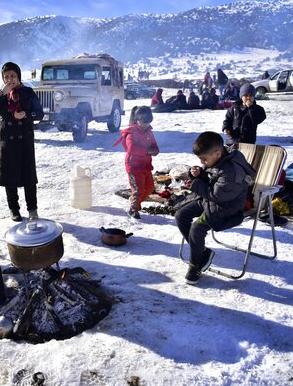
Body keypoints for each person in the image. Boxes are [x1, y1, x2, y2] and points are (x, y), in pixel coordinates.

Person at [174, 131, 256, 285]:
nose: (203, 162)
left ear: (218, 153)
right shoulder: (218, 159)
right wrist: (198, 175)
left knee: (197, 228)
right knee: (181, 215)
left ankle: (195, 265)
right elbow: (212, 178)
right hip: (211, 200)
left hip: (227, 207)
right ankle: (202, 252)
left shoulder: (232, 170)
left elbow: (218, 195)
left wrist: (195, 183)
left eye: (204, 159)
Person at [0, 62, 44, 221]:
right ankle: (14, 209)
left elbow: (39, 113)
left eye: (12, 76)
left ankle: (32, 209)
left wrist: (26, 114)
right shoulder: (0, 93)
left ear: (18, 76)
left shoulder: (27, 92)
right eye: (6, 77)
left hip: (24, 138)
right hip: (7, 140)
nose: (10, 79)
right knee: (9, 177)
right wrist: (1, 94)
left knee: (28, 177)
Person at [113, 106, 159, 219]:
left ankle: (135, 200)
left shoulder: (149, 131)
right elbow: (131, 148)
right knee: (139, 189)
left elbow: (153, 143)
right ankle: (133, 209)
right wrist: (147, 151)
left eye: (148, 123)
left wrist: (155, 150)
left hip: (146, 165)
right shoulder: (131, 132)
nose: (146, 125)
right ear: (137, 120)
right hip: (134, 166)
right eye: (144, 123)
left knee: (149, 188)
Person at [222, 84, 267, 148]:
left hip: (248, 141)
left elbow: (257, 120)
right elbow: (227, 120)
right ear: (241, 96)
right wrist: (226, 128)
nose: (248, 97)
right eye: (246, 95)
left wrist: (251, 108)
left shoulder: (258, 109)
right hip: (232, 141)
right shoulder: (234, 108)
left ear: (254, 97)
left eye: (251, 95)